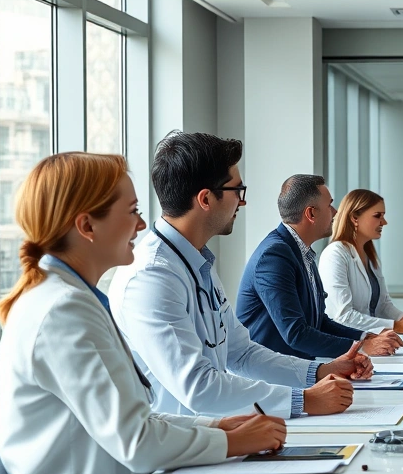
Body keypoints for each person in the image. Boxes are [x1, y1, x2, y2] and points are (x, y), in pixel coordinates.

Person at [0, 153, 285, 474]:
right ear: (87, 227)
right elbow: (136, 442)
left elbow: (134, 419)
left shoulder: (71, 298)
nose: (142, 226)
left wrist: (214, 426)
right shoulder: (63, 310)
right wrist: (231, 441)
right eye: (132, 211)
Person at [109, 131, 373, 420]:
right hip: (180, 455)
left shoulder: (196, 262)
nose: (242, 203)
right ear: (206, 199)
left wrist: (321, 371)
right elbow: (199, 388)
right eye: (238, 191)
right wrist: (304, 400)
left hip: (213, 439)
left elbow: (241, 354)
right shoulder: (152, 277)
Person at [238, 177, 403, 359]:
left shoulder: (301, 251)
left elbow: (318, 322)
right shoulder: (274, 256)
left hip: (296, 370)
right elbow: (296, 334)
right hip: (271, 378)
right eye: (330, 205)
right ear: (311, 214)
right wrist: (363, 346)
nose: (335, 212)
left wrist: (366, 337)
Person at [318, 188, 403, 334]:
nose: (384, 222)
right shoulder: (335, 254)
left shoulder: (368, 255)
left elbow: (383, 305)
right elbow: (343, 316)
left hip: (371, 343)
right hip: (347, 345)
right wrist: (397, 326)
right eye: (377, 216)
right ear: (354, 218)